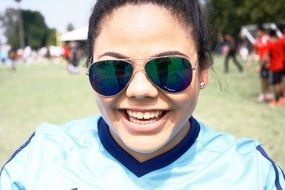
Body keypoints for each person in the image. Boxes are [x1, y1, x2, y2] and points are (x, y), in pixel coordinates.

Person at [1, 1, 284, 189]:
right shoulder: (40, 160)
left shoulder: (251, 174)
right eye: (113, 70)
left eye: (169, 68)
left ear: (203, 72)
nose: (140, 91)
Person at [265, 29, 285, 106]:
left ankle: (277, 100)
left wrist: (262, 65)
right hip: (282, 64)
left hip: (275, 66)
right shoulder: (280, 42)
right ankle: (282, 98)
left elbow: (266, 56)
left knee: (276, 84)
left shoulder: (271, 44)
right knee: (282, 82)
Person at [255, 25, 273, 102]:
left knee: (266, 79)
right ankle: (265, 94)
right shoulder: (258, 40)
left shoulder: (267, 39)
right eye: (257, 31)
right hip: (261, 62)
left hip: (267, 63)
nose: (257, 33)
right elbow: (256, 51)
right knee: (263, 78)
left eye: (258, 31)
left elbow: (268, 52)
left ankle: (266, 94)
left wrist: (260, 65)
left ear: (262, 31)